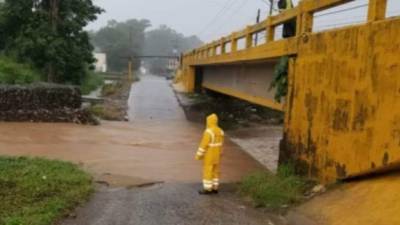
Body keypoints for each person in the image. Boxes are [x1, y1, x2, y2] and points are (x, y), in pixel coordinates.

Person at [195, 114, 225, 195]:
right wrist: (221, 153)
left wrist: (198, 155)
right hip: (217, 156)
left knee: (208, 171)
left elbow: (203, 145)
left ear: (208, 121)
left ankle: (208, 189)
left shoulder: (208, 132)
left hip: (209, 156)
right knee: (216, 171)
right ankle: (215, 188)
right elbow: (221, 145)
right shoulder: (221, 131)